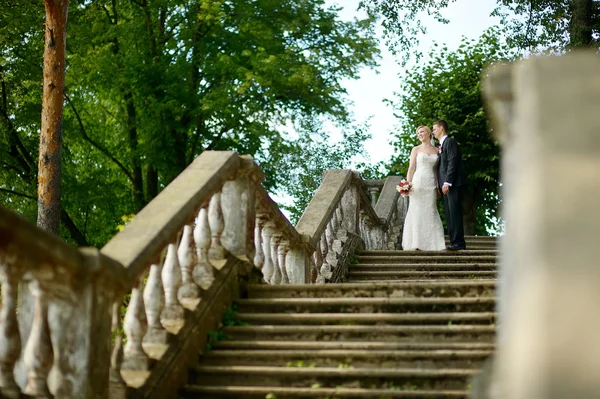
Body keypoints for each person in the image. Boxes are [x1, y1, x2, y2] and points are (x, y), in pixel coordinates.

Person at [401, 125, 445, 251]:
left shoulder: (437, 150)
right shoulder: (416, 149)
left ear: (429, 133)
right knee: (417, 211)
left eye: (422, 132)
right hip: (418, 182)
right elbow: (411, 167)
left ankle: (434, 244)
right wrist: (407, 184)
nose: (419, 134)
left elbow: (437, 170)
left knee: (430, 211)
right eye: (418, 133)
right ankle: (416, 243)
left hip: (431, 183)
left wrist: (437, 186)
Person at [432, 119, 467, 250]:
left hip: (453, 184)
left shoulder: (450, 142)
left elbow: (453, 162)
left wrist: (447, 182)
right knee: (449, 215)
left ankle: (459, 243)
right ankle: (454, 243)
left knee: (455, 214)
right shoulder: (441, 145)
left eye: (434, 129)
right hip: (445, 186)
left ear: (441, 128)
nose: (433, 132)